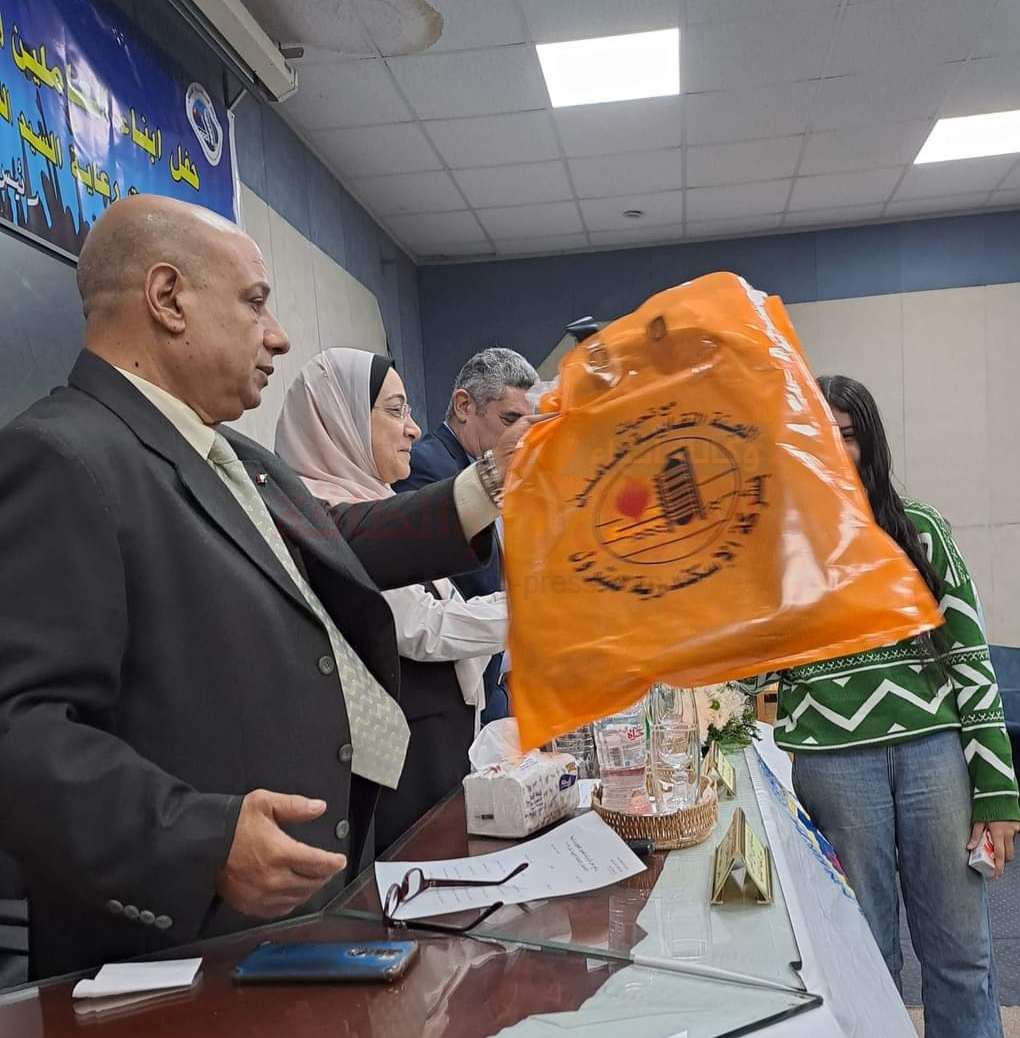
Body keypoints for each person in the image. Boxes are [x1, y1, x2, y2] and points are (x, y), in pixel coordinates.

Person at [0, 195, 533, 980]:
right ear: (168, 298)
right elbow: (21, 729)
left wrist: (490, 480)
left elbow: (340, 542)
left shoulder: (238, 457)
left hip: (301, 912)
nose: (278, 335)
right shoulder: (62, 457)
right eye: (255, 303)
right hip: (187, 947)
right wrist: (201, 841)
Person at [746, 375, 1019, 1038]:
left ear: (870, 443)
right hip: (834, 764)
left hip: (934, 757)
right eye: (820, 433)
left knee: (961, 955)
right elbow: (754, 668)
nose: (835, 448)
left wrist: (998, 792)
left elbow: (970, 658)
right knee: (863, 958)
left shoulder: (920, 529)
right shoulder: (779, 548)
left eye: (848, 434)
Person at [275, 348, 508, 852]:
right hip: (402, 773)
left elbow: (442, 605)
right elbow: (421, 627)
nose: (414, 430)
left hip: (439, 751)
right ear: (340, 419)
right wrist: (530, 614)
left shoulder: (376, 500)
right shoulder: (322, 518)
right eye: (395, 410)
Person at [394, 347, 537, 722]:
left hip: (495, 681)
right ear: (464, 406)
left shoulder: (487, 469)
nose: (521, 437)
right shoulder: (426, 467)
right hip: (457, 692)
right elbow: (437, 597)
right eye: (510, 419)